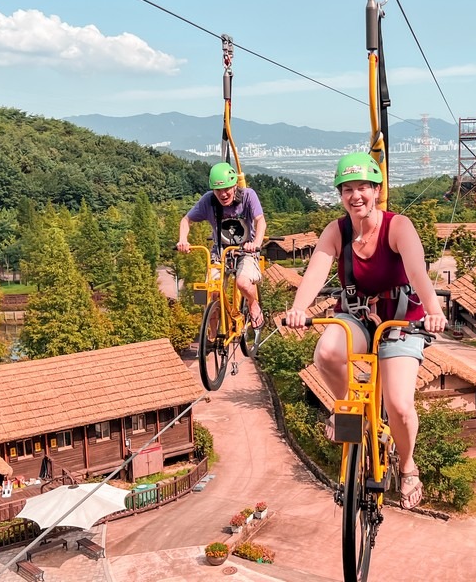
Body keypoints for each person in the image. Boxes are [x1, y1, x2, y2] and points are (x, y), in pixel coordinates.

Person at [285, 152, 448, 510]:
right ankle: (347, 409)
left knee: (400, 405)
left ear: (376, 190)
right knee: (327, 352)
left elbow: (418, 272)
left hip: (400, 319)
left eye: (363, 188)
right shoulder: (337, 231)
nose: (356, 196)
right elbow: (316, 271)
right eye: (348, 190)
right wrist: (298, 308)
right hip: (356, 314)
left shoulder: (398, 227)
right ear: (341, 195)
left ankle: (407, 466)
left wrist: (434, 310)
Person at [177, 162, 267, 328]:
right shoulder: (208, 201)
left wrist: (255, 243)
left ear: (234, 186)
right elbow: (186, 220)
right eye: (218, 190)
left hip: (245, 251)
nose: (223, 194)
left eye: (227, 189)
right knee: (210, 292)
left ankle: (253, 304)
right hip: (220, 252)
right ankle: (209, 336)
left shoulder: (248, 196)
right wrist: (183, 239)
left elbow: (260, 220)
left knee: (242, 283)